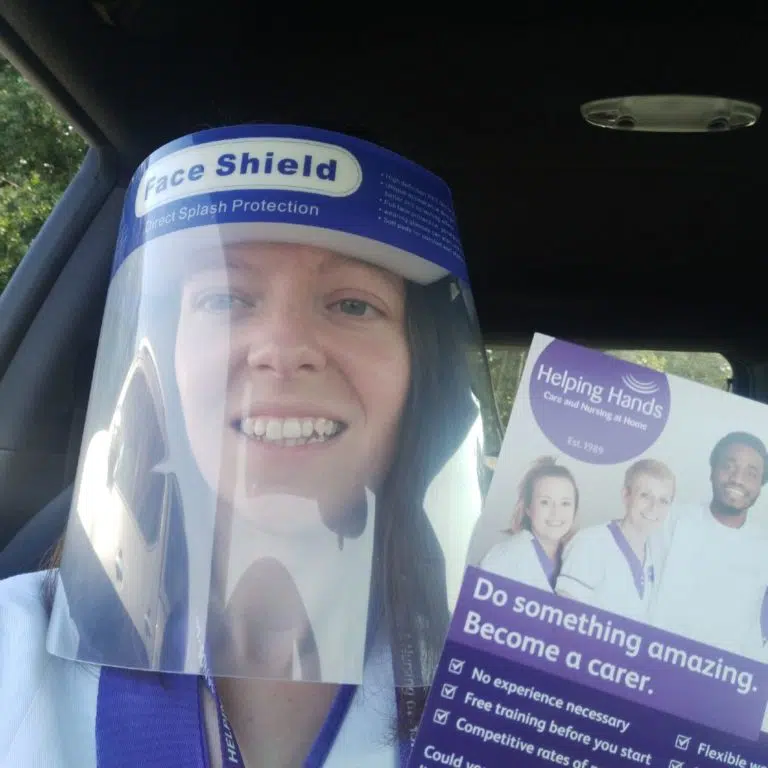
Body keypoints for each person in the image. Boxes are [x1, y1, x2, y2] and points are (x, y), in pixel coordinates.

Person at [0, 125, 497, 767]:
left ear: (419, 377)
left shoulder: (518, 684)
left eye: (353, 305)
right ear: (164, 359)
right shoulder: (14, 643)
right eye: (226, 297)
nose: (284, 350)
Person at [649, 431, 768, 659]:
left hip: (725, 670)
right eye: (728, 466)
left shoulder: (764, 548)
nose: (737, 479)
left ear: (760, 485)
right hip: (656, 656)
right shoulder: (672, 519)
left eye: (751, 474)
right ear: (712, 471)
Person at [555, 458, 675, 622]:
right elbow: (563, 617)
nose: (654, 507)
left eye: (663, 500)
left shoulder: (656, 556)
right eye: (645, 496)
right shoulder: (591, 543)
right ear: (626, 495)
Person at [479, 456, 578, 592]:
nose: (556, 512)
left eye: (565, 503)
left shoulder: (578, 559)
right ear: (528, 508)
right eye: (545, 502)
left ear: (574, 510)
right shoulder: (501, 558)